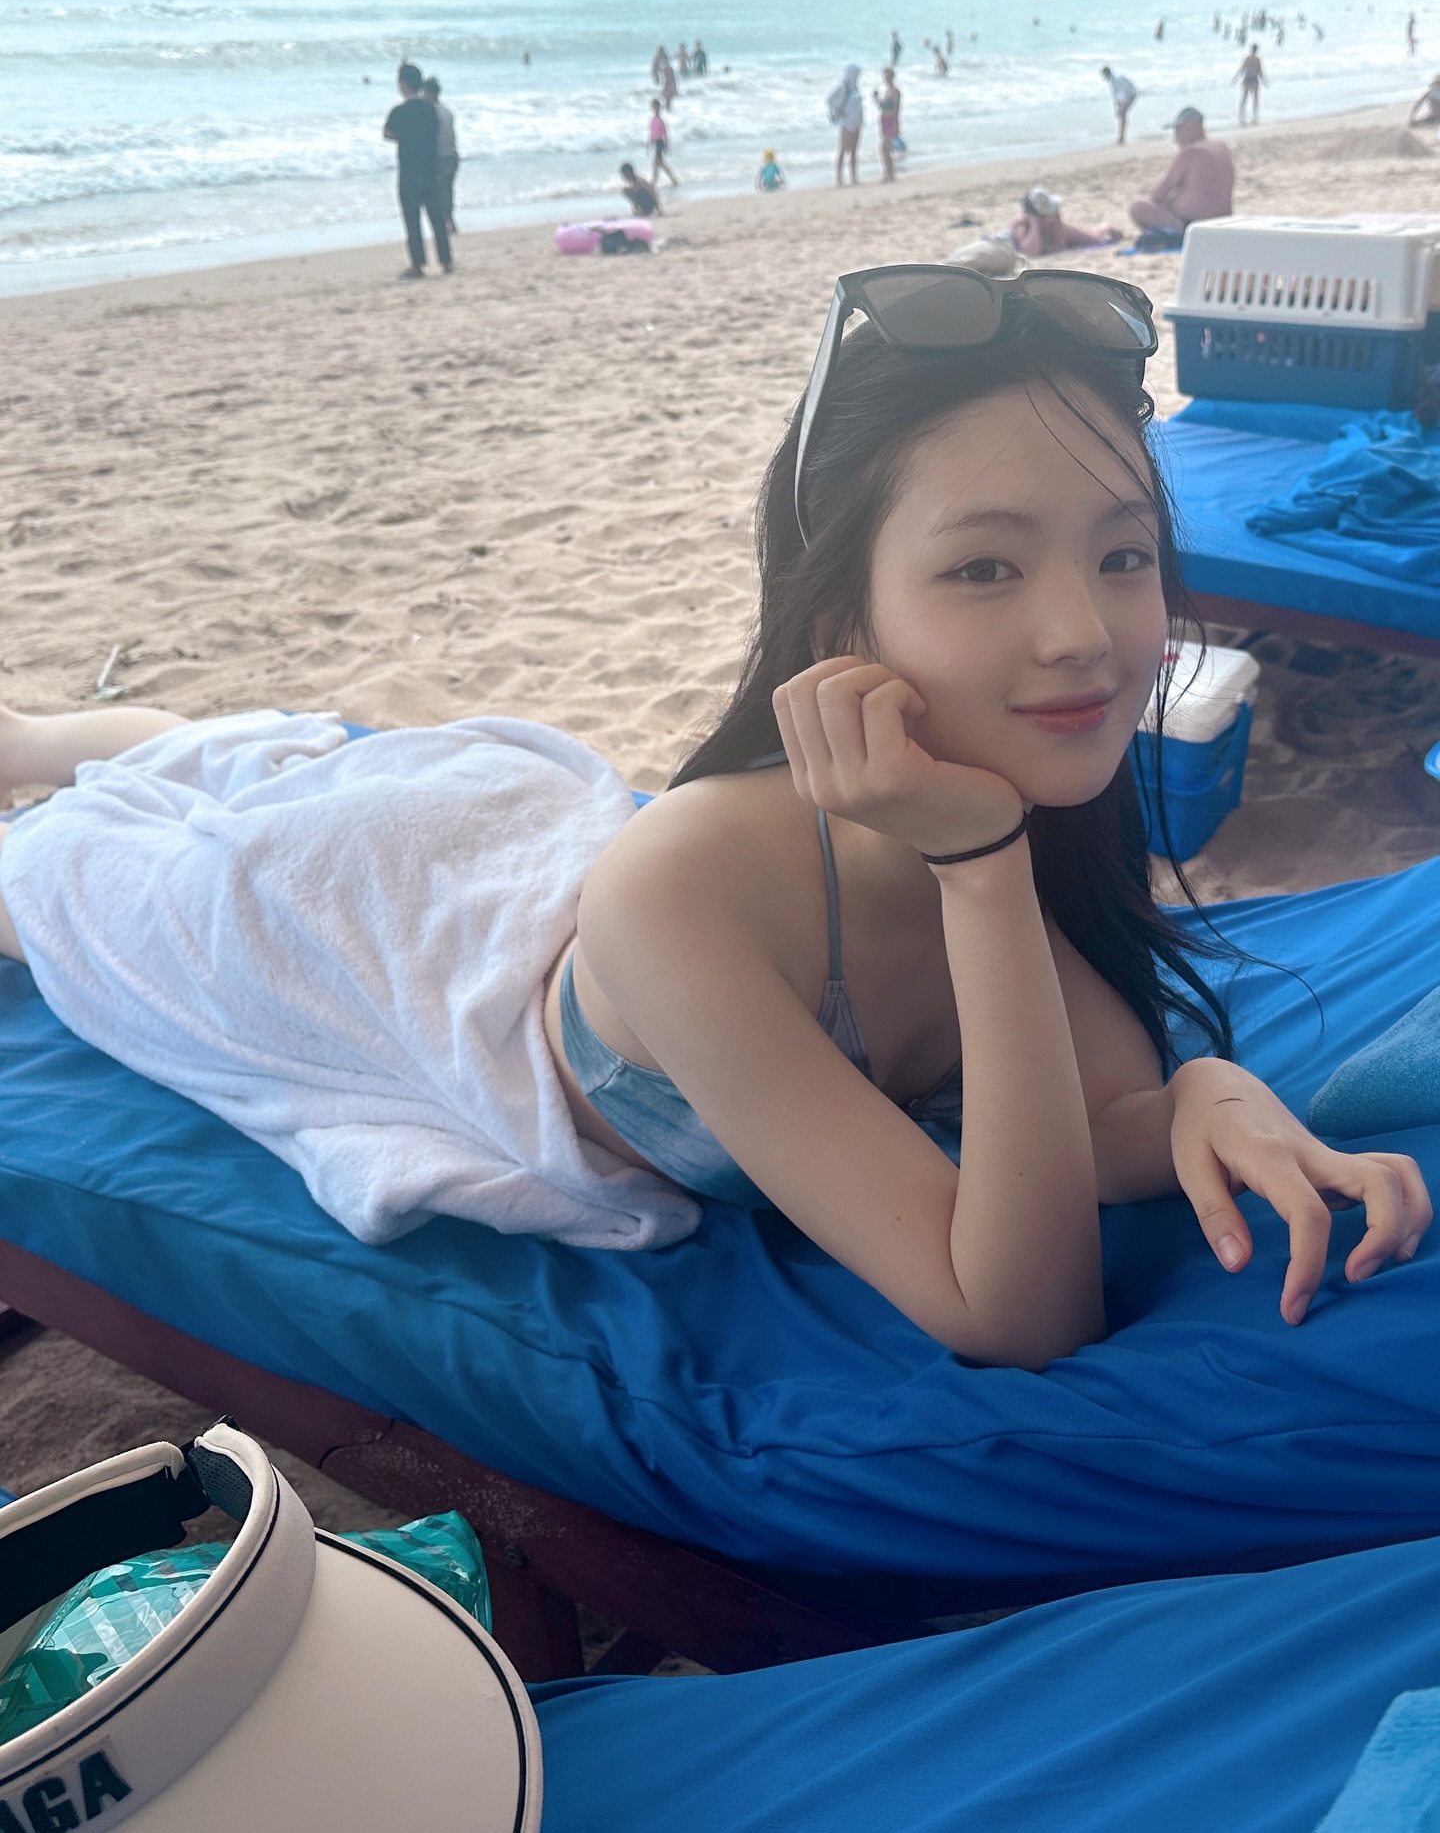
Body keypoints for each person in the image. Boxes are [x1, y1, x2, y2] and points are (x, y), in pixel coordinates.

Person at [0, 271, 1427, 1370]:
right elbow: (1018, 1312)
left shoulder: (1009, 802)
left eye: (1122, 553)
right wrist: (979, 867)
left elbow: (1090, 1116)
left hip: (507, 834)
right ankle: (43, 746)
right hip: (387, 923)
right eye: (985, 568)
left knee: (283, 757)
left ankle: (68, 732)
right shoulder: (714, 889)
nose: (1084, 633)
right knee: (73, 873)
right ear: (838, 619)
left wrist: (1202, 1096)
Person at [382, 61, 451, 280]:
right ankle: (446, 260)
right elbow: (436, 131)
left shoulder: (399, 111)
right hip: (430, 168)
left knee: (412, 220)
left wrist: (405, 137)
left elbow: (387, 133)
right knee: (436, 218)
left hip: (409, 170)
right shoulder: (430, 110)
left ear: (403, 85)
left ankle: (417, 265)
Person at [1129, 106, 1233, 236]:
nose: (1175, 137)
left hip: (1193, 224)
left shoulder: (1190, 152)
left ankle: (1181, 233)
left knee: (1137, 207)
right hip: (1223, 217)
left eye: (1178, 129)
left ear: (1189, 126)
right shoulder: (1221, 147)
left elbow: (1159, 194)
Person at [1010, 186, 1120, 257]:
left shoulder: (1053, 219)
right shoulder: (1021, 224)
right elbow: (1032, 251)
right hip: (1058, 232)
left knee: (1095, 238)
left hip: (1067, 233)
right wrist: (1035, 223)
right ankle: (1103, 228)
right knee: (1093, 236)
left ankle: (1105, 227)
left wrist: (1046, 246)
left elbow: (1060, 245)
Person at [421, 75, 459, 235]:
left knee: (438, 193)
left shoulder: (433, 113)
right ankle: (450, 223)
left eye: (424, 92)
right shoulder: (446, 111)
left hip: (441, 158)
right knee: (446, 191)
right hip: (452, 156)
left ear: (430, 93)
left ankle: (447, 224)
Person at [828, 63, 863, 186]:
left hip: (856, 123)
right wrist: (836, 111)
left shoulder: (854, 87)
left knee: (853, 151)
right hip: (846, 123)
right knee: (842, 150)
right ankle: (839, 179)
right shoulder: (842, 86)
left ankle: (853, 178)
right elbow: (829, 99)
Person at [875, 67, 901, 182]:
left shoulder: (895, 91)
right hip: (884, 120)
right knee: (885, 149)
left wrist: (896, 123)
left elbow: (896, 108)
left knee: (884, 148)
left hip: (890, 120)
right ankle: (888, 173)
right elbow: (882, 106)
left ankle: (890, 174)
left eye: (888, 76)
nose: (886, 79)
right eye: (885, 77)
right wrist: (876, 99)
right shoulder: (886, 91)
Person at [1100, 65, 1136, 144]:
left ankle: (1121, 138)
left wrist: (1118, 108)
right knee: (1121, 114)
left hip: (1130, 93)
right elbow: (1117, 96)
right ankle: (1121, 137)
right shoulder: (1115, 77)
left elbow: (1119, 94)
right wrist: (1117, 107)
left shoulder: (1114, 79)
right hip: (1129, 92)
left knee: (1122, 114)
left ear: (1106, 73)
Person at [648, 98, 677, 187]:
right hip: (655, 142)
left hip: (660, 143)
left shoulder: (661, 120)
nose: (655, 109)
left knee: (656, 163)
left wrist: (667, 145)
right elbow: (651, 132)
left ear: (659, 108)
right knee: (660, 164)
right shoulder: (652, 119)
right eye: (654, 107)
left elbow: (665, 133)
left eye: (656, 107)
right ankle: (673, 179)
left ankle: (653, 181)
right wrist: (649, 143)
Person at [1233, 44, 1266, 126]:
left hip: (1248, 79)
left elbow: (1242, 69)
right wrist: (1264, 80)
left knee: (1245, 98)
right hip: (1253, 79)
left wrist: (1236, 77)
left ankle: (1242, 116)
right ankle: (1253, 116)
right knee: (1254, 99)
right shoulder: (1257, 59)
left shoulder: (1248, 58)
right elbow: (1260, 71)